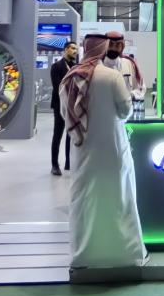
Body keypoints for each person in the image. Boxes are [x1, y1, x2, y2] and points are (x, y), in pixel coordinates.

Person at [62, 33, 146, 269]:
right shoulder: (111, 76)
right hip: (112, 147)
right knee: (118, 196)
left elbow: (65, 114)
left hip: (82, 150)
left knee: (84, 199)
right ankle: (123, 254)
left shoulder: (71, 77)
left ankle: (84, 254)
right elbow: (125, 110)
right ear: (102, 49)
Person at [50, 41, 78, 175]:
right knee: (58, 135)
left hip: (73, 105)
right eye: (72, 48)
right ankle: (54, 165)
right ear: (66, 49)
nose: (75, 51)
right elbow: (58, 86)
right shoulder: (56, 67)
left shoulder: (76, 67)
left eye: (76, 49)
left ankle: (68, 163)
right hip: (59, 105)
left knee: (70, 134)